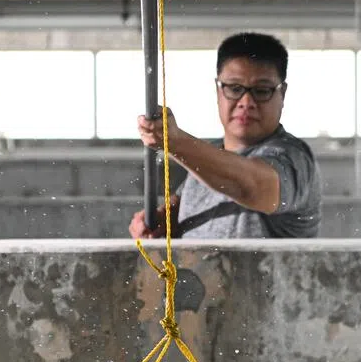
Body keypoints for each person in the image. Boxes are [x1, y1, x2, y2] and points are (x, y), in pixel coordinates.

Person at [128, 32, 322, 239]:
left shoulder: (295, 159)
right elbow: (175, 214)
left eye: (262, 90)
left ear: (282, 94)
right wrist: (157, 221)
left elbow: (252, 187)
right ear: (218, 90)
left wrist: (175, 142)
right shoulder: (204, 160)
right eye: (234, 88)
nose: (246, 102)